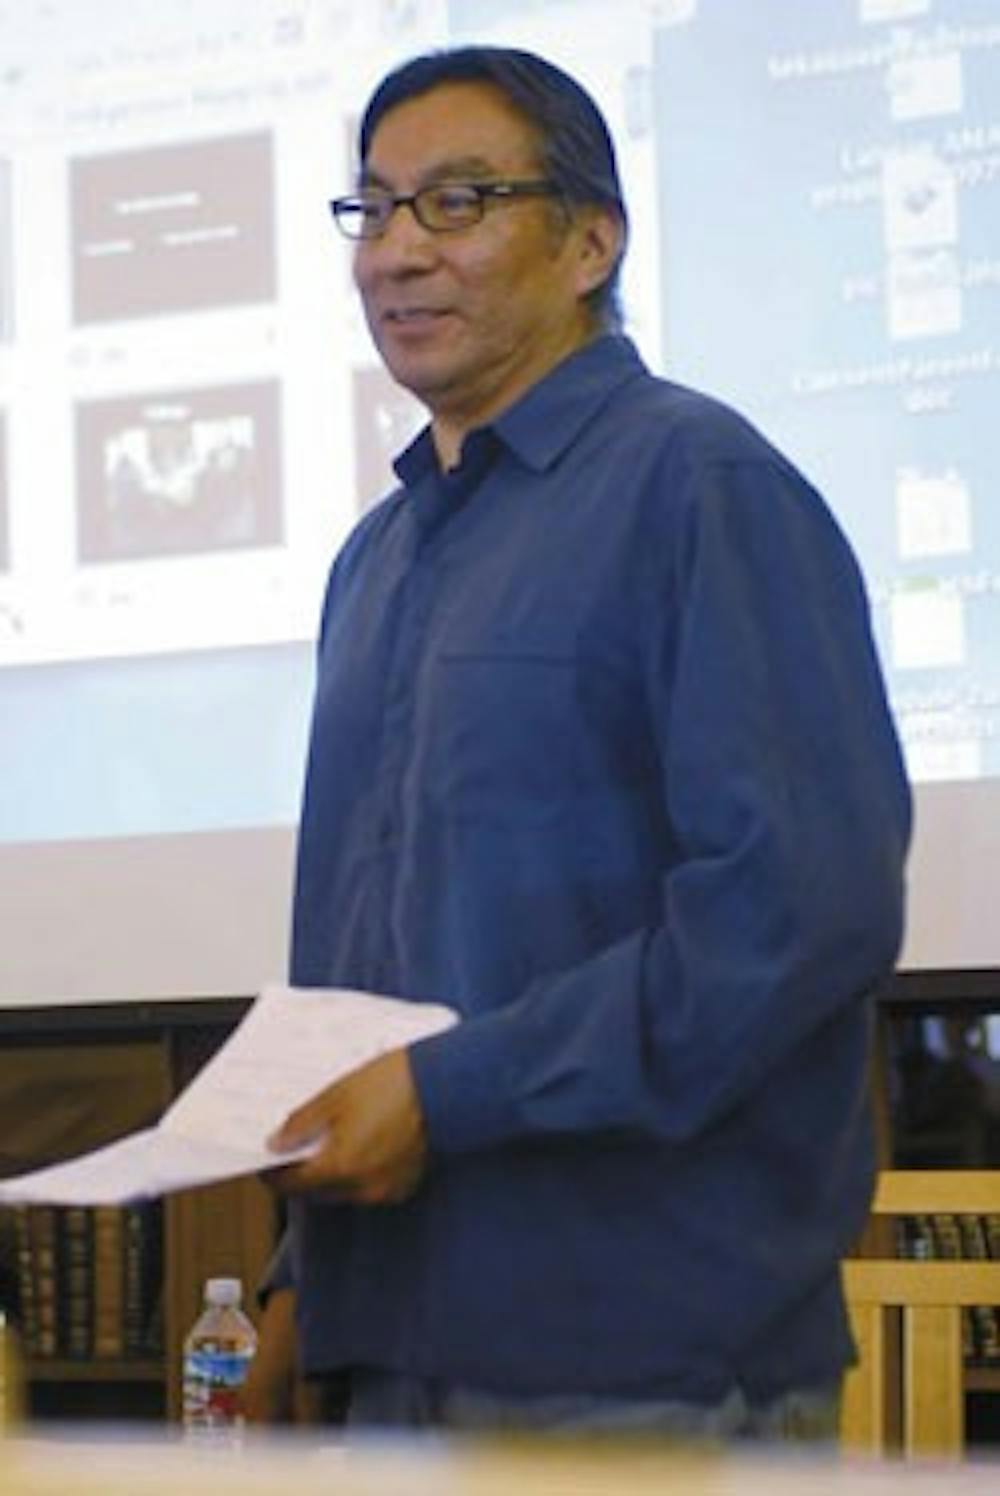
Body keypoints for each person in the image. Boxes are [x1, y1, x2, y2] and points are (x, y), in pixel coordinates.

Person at [256, 44, 912, 1441]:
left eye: (457, 202)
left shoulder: (702, 487)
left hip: (634, 1356)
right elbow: (366, 965)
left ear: (590, 241)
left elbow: (795, 916)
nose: (396, 254)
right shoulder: (372, 563)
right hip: (384, 1357)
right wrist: (301, 1283)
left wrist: (447, 1093)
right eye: (370, 210)